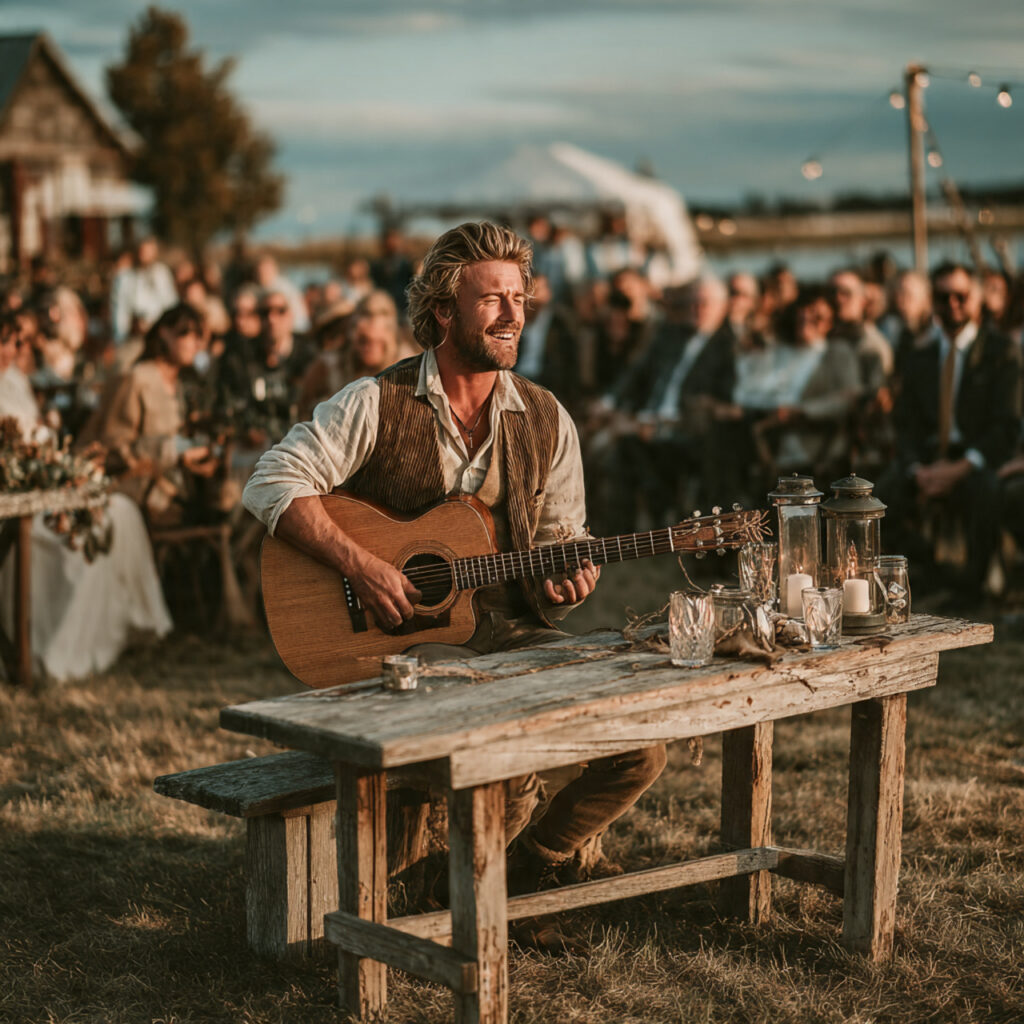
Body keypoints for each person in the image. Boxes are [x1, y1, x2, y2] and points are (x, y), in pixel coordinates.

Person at [242, 222, 664, 897]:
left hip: (507, 632)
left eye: (519, 299)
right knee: (509, 763)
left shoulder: (547, 416)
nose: (511, 315)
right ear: (443, 310)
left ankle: (530, 871)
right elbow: (270, 481)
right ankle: (471, 901)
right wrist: (360, 564)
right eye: (492, 299)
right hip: (406, 641)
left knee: (641, 747)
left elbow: (562, 540)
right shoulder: (375, 401)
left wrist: (567, 587)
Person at [0, 313, 172, 682]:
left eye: (16, 342)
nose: (12, 350)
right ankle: (49, 645)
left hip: (41, 479)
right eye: (5, 341)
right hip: (12, 494)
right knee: (64, 535)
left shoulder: (14, 380)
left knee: (120, 510)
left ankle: (119, 627)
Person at [879, 262, 1022, 606]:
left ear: (976, 299)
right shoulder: (921, 356)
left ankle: (972, 587)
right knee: (880, 497)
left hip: (978, 456)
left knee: (986, 490)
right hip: (929, 457)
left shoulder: (1001, 352)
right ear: (933, 301)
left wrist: (960, 468)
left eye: (961, 295)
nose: (953, 304)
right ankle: (930, 573)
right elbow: (906, 425)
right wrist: (919, 470)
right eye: (944, 296)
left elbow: (1005, 424)